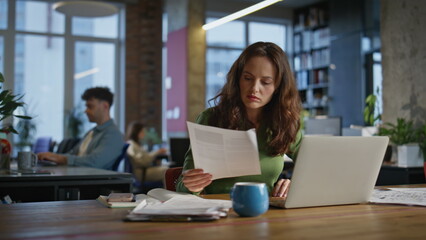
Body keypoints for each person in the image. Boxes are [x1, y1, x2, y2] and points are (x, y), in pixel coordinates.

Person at [176, 42, 303, 198]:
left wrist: (294, 184)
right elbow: (182, 185)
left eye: (266, 82)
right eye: (248, 78)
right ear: (237, 79)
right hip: (219, 212)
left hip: (268, 212)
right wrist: (192, 185)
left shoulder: (285, 123)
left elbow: (315, 170)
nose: (254, 88)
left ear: (278, 87)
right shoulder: (211, 118)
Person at [38, 87, 124, 170]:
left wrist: (60, 158)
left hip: (91, 182)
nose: (86, 111)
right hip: (79, 177)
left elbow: (94, 162)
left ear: (105, 106)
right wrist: (53, 157)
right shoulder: (92, 132)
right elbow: (73, 154)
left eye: (90, 106)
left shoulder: (113, 134)